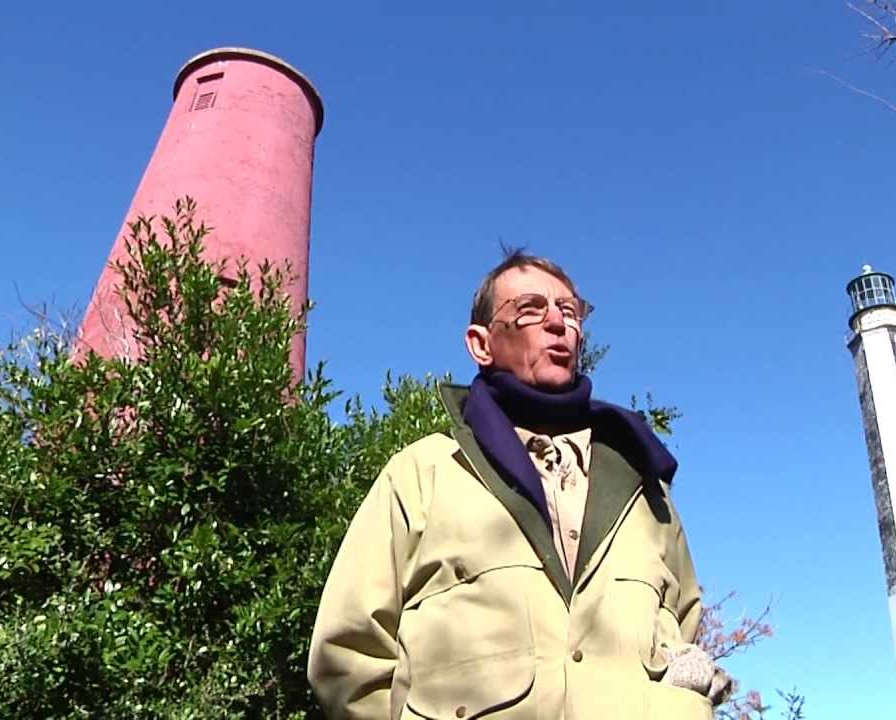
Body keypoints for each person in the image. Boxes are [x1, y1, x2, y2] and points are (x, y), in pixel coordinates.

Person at [307, 250, 729, 719]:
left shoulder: (646, 491)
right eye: (530, 309)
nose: (558, 323)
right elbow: (347, 656)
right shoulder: (423, 473)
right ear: (481, 344)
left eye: (570, 311)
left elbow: (683, 627)